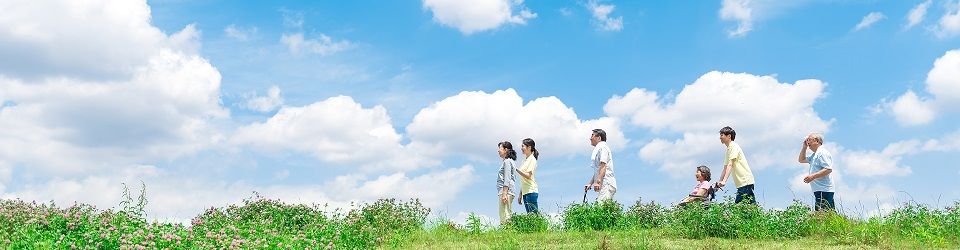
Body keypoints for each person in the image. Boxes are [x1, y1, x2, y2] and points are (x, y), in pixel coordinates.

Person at [715, 126, 757, 204]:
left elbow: (730, 164)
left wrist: (724, 181)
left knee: (738, 207)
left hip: (745, 181)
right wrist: (719, 183)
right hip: (742, 183)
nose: (720, 138)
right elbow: (725, 168)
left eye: (722, 135)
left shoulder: (734, 146)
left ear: (729, 136)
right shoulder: (728, 150)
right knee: (750, 207)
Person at [798, 132, 836, 212]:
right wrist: (804, 147)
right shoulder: (815, 155)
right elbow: (801, 160)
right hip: (819, 190)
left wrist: (812, 176)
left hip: (824, 190)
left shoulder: (822, 153)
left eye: (809, 140)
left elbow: (828, 169)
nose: (807, 142)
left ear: (816, 141)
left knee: (822, 214)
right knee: (828, 214)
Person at [585, 129, 617, 201]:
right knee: (604, 207)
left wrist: (598, 182)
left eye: (592, 135)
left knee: (601, 207)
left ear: (599, 138)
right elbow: (598, 169)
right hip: (604, 184)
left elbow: (603, 165)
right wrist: (590, 183)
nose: (590, 138)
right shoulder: (599, 148)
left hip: (607, 183)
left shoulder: (603, 147)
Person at [516, 138, 540, 213]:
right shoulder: (525, 160)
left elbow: (528, 176)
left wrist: (516, 170)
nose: (521, 148)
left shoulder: (532, 159)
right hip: (525, 192)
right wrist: (520, 194)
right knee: (530, 217)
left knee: (534, 217)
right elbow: (524, 180)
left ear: (529, 147)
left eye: (523, 146)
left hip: (531, 191)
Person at [496, 141, 518, 224]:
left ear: (505, 150)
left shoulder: (507, 161)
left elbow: (507, 178)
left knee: (504, 214)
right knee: (506, 212)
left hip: (506, 191)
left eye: (500, 149)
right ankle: (508, 231)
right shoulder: (510, 161)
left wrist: (504, 193)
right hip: (508, 191)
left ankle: (507, 231)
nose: (498, 151)